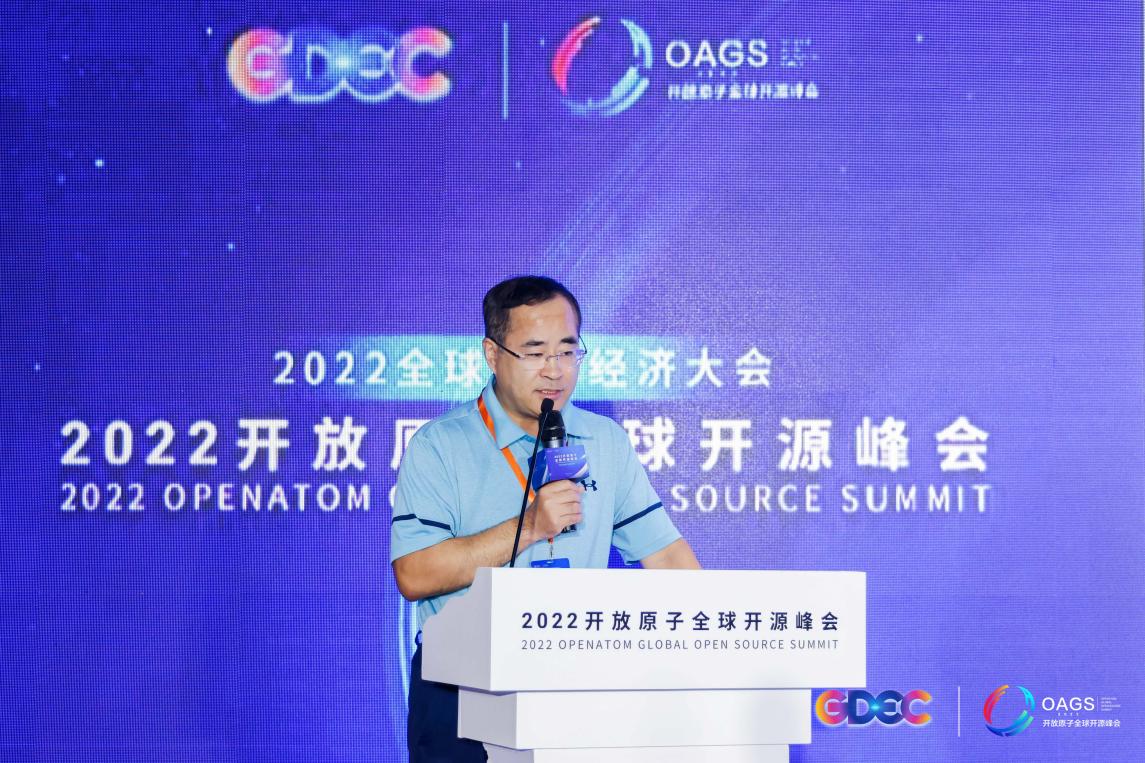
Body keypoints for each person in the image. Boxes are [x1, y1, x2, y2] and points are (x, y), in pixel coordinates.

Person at [391, 275, 700, 762]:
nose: (555, 370)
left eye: (568, 351)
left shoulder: (605, 441)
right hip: (460, 686)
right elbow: (415, 574)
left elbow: (666, 556)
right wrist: (532, 526)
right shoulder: (440, 445)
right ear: (493, 354)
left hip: (577, 679)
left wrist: (713, 645)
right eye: (535, 353)